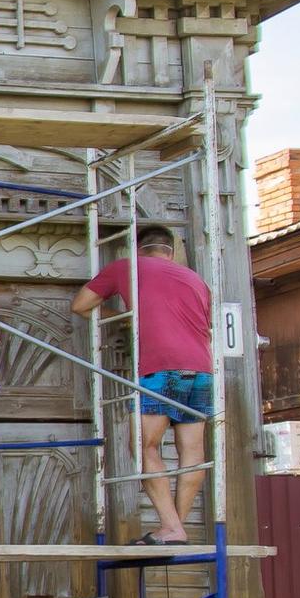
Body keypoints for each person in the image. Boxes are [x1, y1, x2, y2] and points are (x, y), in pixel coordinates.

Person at [73, 226, 215, 542]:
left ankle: (171, 527)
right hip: (202, 369)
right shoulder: (197, 281)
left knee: (143, 445)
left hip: (160, 367)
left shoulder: (127, 266)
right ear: (171, 251)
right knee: (192, 451)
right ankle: (177, 526)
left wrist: (123, 316)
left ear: (138, 249)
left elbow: (81, 305)